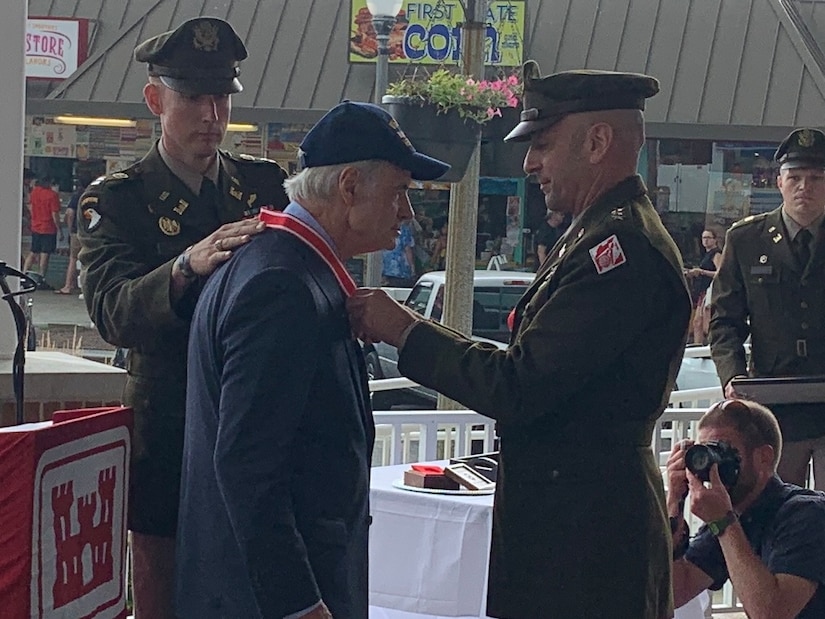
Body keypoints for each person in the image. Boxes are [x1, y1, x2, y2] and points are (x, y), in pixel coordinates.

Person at [347, 60, 692, 619]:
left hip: (587, 541)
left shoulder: (620, 252)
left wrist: (403, 331)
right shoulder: (594, 234)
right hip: (569, 525)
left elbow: (519, 384)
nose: (530, 164)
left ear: (598, 141)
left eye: (544, 145)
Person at [176, 101, 449, 619]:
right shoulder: (282, 284)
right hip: (269, 598)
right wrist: (297, 604)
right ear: (349, 187)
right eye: (400, 193)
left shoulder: (284, 265)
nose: (408, 213)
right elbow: (247, 465)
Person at [76, 17, 289, 619]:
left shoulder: (261, 186)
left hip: (252, 423)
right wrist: (184, 267)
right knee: (164, 598)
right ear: (155, 100)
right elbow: (113, 312)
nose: (210, 115)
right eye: (192, 97)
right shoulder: (118, 199)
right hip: (170, 430)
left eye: (220, 97)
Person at [710, 127, 825, 489]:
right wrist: (733, 378)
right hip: (775, 408)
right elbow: (725, 320)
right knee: (777, 519)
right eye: (795, 177)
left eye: (816, 177)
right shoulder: (746, 240)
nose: (804, 186)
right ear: (779, 182)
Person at [667, 399, 825, 618]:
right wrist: (674, 501)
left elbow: (771, 613)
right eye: (707, 452)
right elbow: (675, 593)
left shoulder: (807, 514)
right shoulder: (734, 515)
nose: (714, 465)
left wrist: (723, 523)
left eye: (724, 452)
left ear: (763, 458)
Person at [23, 175, 63, 288]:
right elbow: (55, 214)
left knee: (33, 251)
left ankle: (24, 273)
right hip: (48, 227)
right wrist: (60, 229)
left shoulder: (35, 192)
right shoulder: (53, 195)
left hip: (36, 225)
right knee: (45, 253)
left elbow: (29, 205)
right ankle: (41, 277)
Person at [56, 172, 93, 294]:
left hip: (76, 232)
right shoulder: (92, 195)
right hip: (90, 233)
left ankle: (68, 286)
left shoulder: (77, 196)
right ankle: (86, 287)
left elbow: (70, 213)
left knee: (73, 259)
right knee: (88, 259)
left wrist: (71, 227)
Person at [685, 228, 722, 344]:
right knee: (697, 322)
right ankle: (697, 345)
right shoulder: (706, 254)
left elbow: (720, 273)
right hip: (702, 290)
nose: (705, 241)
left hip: (710, 290)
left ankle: (708, 345)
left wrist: (702, 272)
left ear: (715, 240)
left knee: (704, 322)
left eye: (708, 238)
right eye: (703, 238)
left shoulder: (716, 254)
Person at [382, 219, 416, 286]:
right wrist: (412, 268)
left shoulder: (381, 228)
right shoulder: (404, 229)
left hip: (384, 270)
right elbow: (407, 250)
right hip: (401, 270)